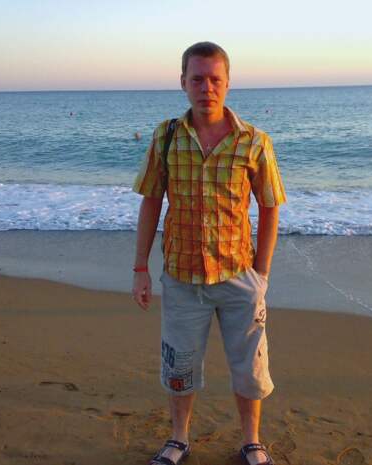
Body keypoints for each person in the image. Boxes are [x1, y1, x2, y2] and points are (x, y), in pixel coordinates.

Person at [132, 41, 286, 465]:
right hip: (182, 277)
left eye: (215, 79)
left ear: (228, 83)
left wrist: (261, 275)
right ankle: (178, 439)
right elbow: (151, 200)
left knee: (249, 367)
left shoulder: (254, 141)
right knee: (179, 367)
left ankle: (251, 441)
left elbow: (270, 206)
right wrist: (140, 267)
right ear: (183, 82)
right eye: (197, 79)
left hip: (239, 276)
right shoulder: (166, 137)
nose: (207, 88)